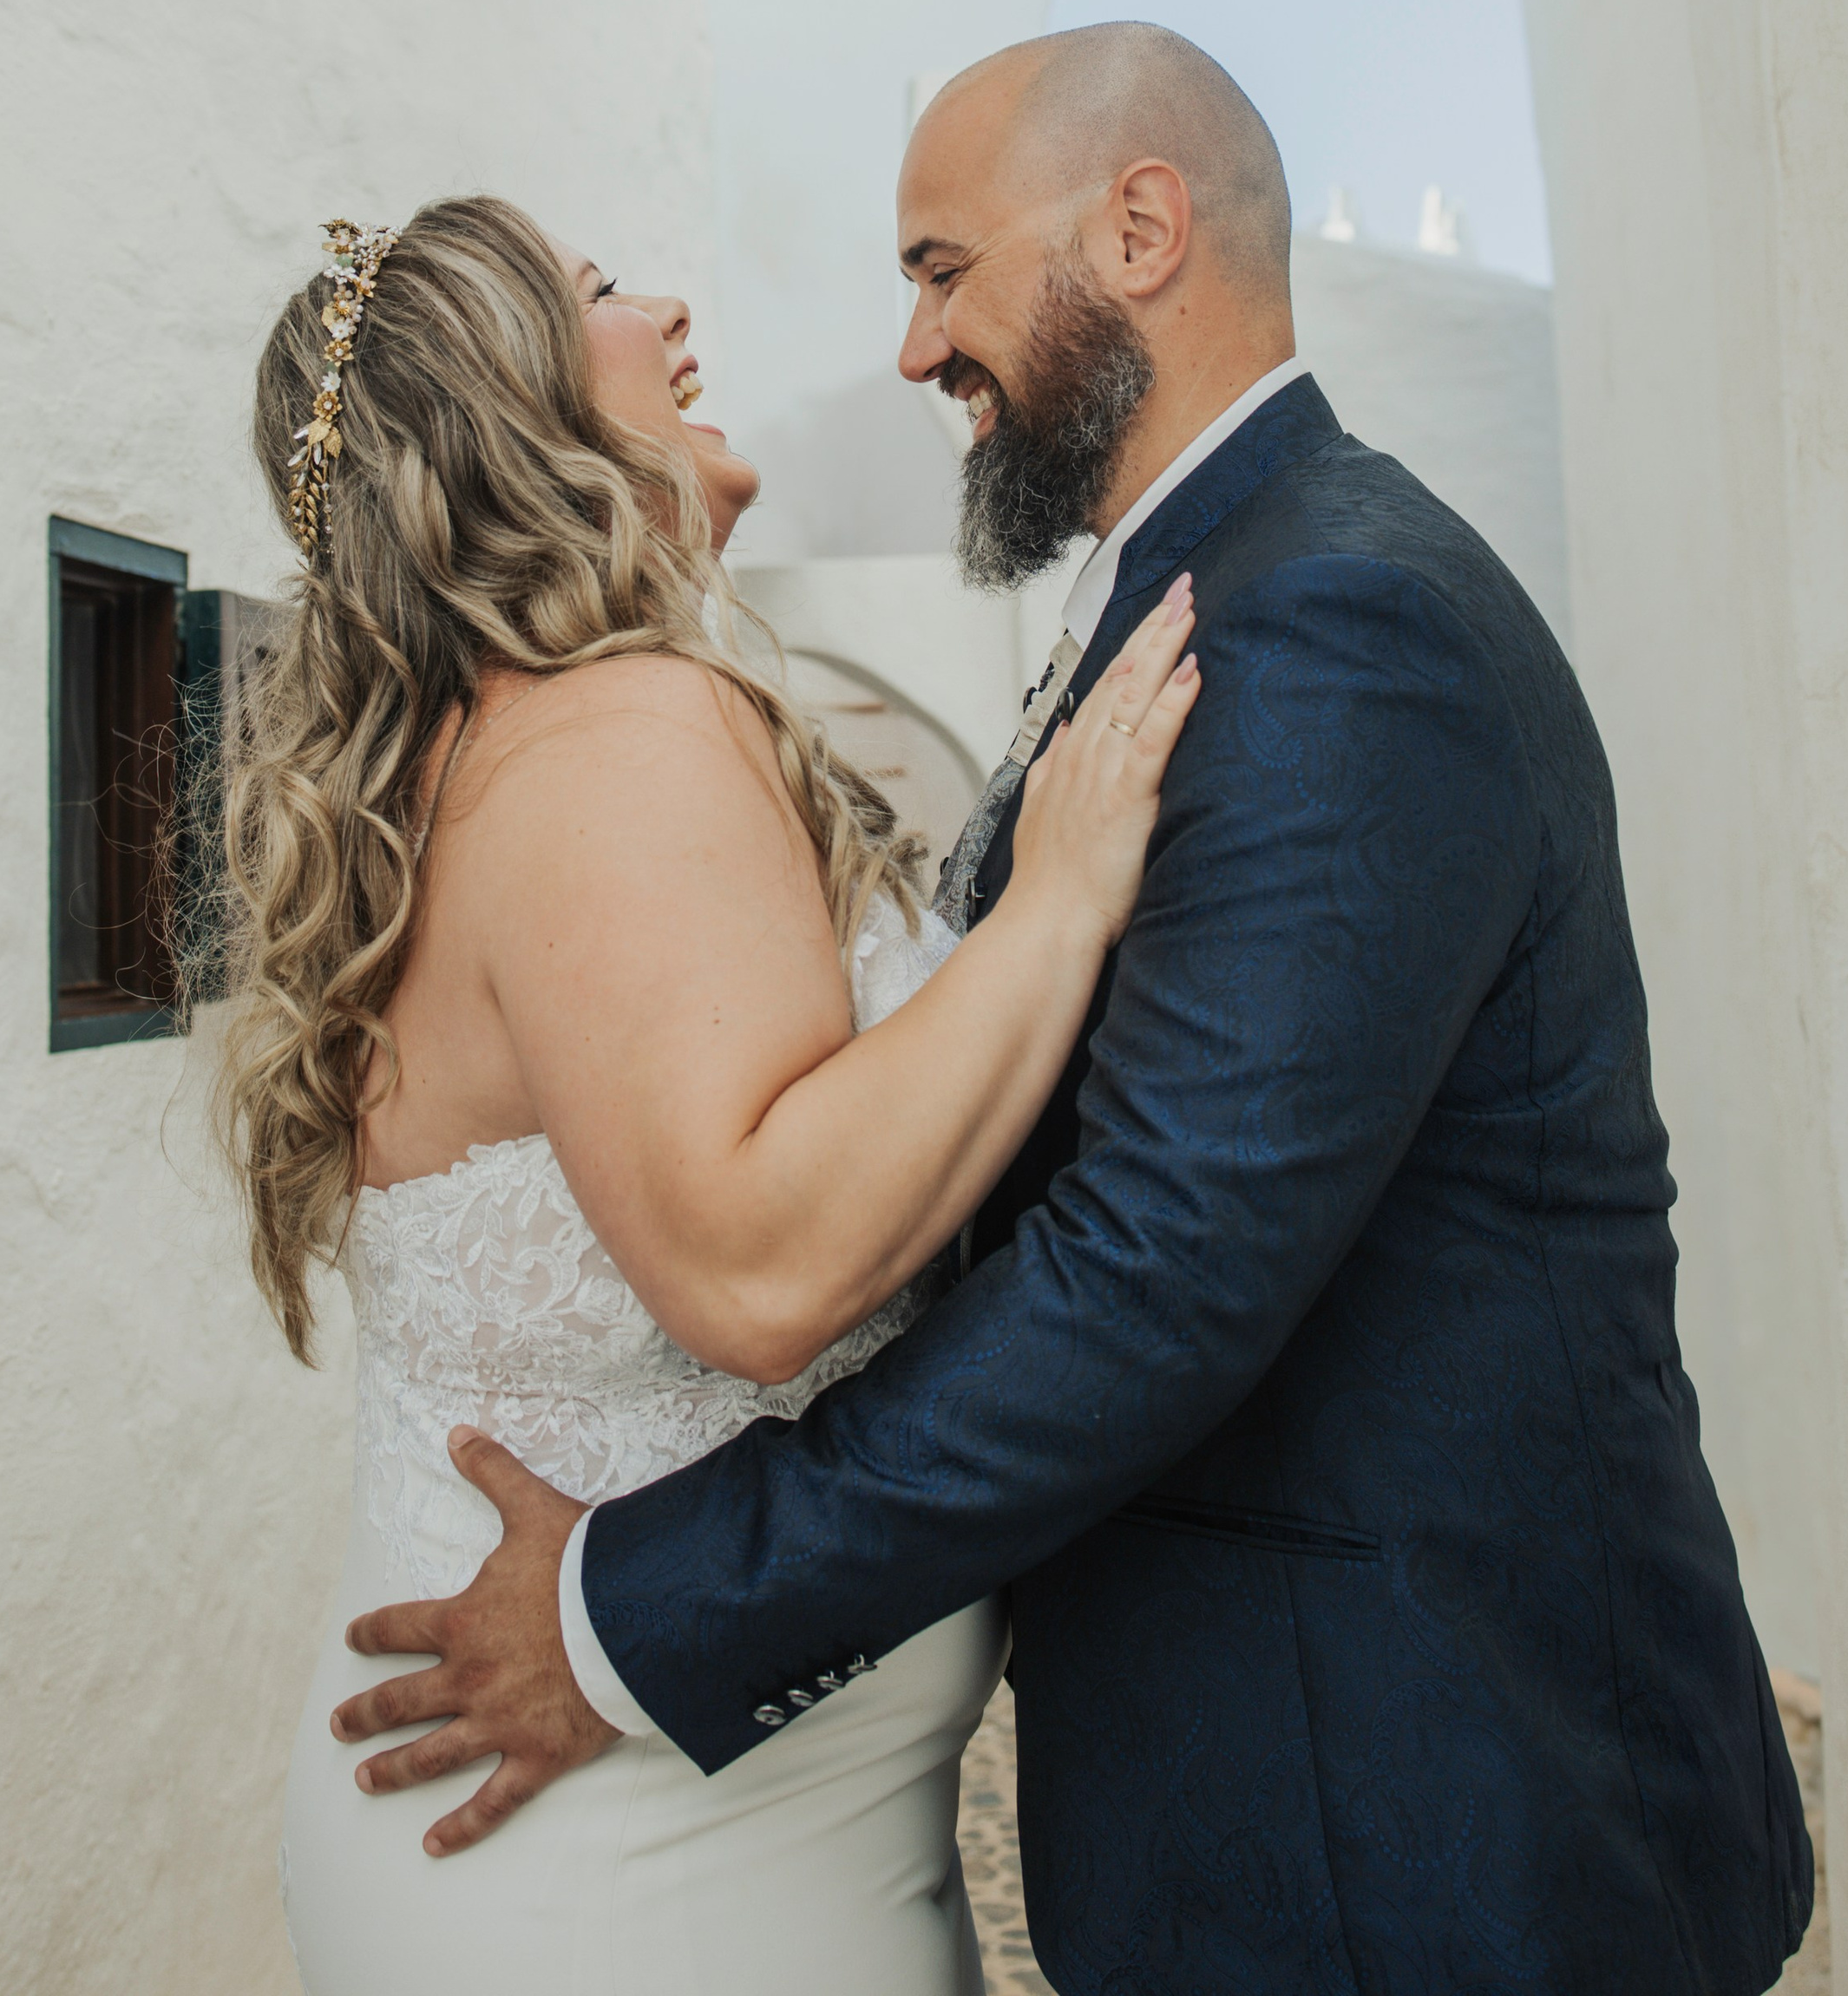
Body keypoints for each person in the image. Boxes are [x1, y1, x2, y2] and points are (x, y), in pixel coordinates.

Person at [335, 27, 1814, 1996]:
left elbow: (1158, 1266)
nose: (910, 349)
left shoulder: (1331, 619)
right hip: (1240, 1807)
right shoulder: (1197, 593)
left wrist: (636, 1613)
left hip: (1419, 1815)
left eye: (941, 271)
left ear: (1137, 231)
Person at [210, 194, 1202, 1996]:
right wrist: (1055, 915)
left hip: (663, 1829)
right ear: (507, 403)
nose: (667, 309)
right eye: (598, 289)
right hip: (632, 1877)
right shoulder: (614, 734)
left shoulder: (497, 750)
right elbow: (755, 1268)